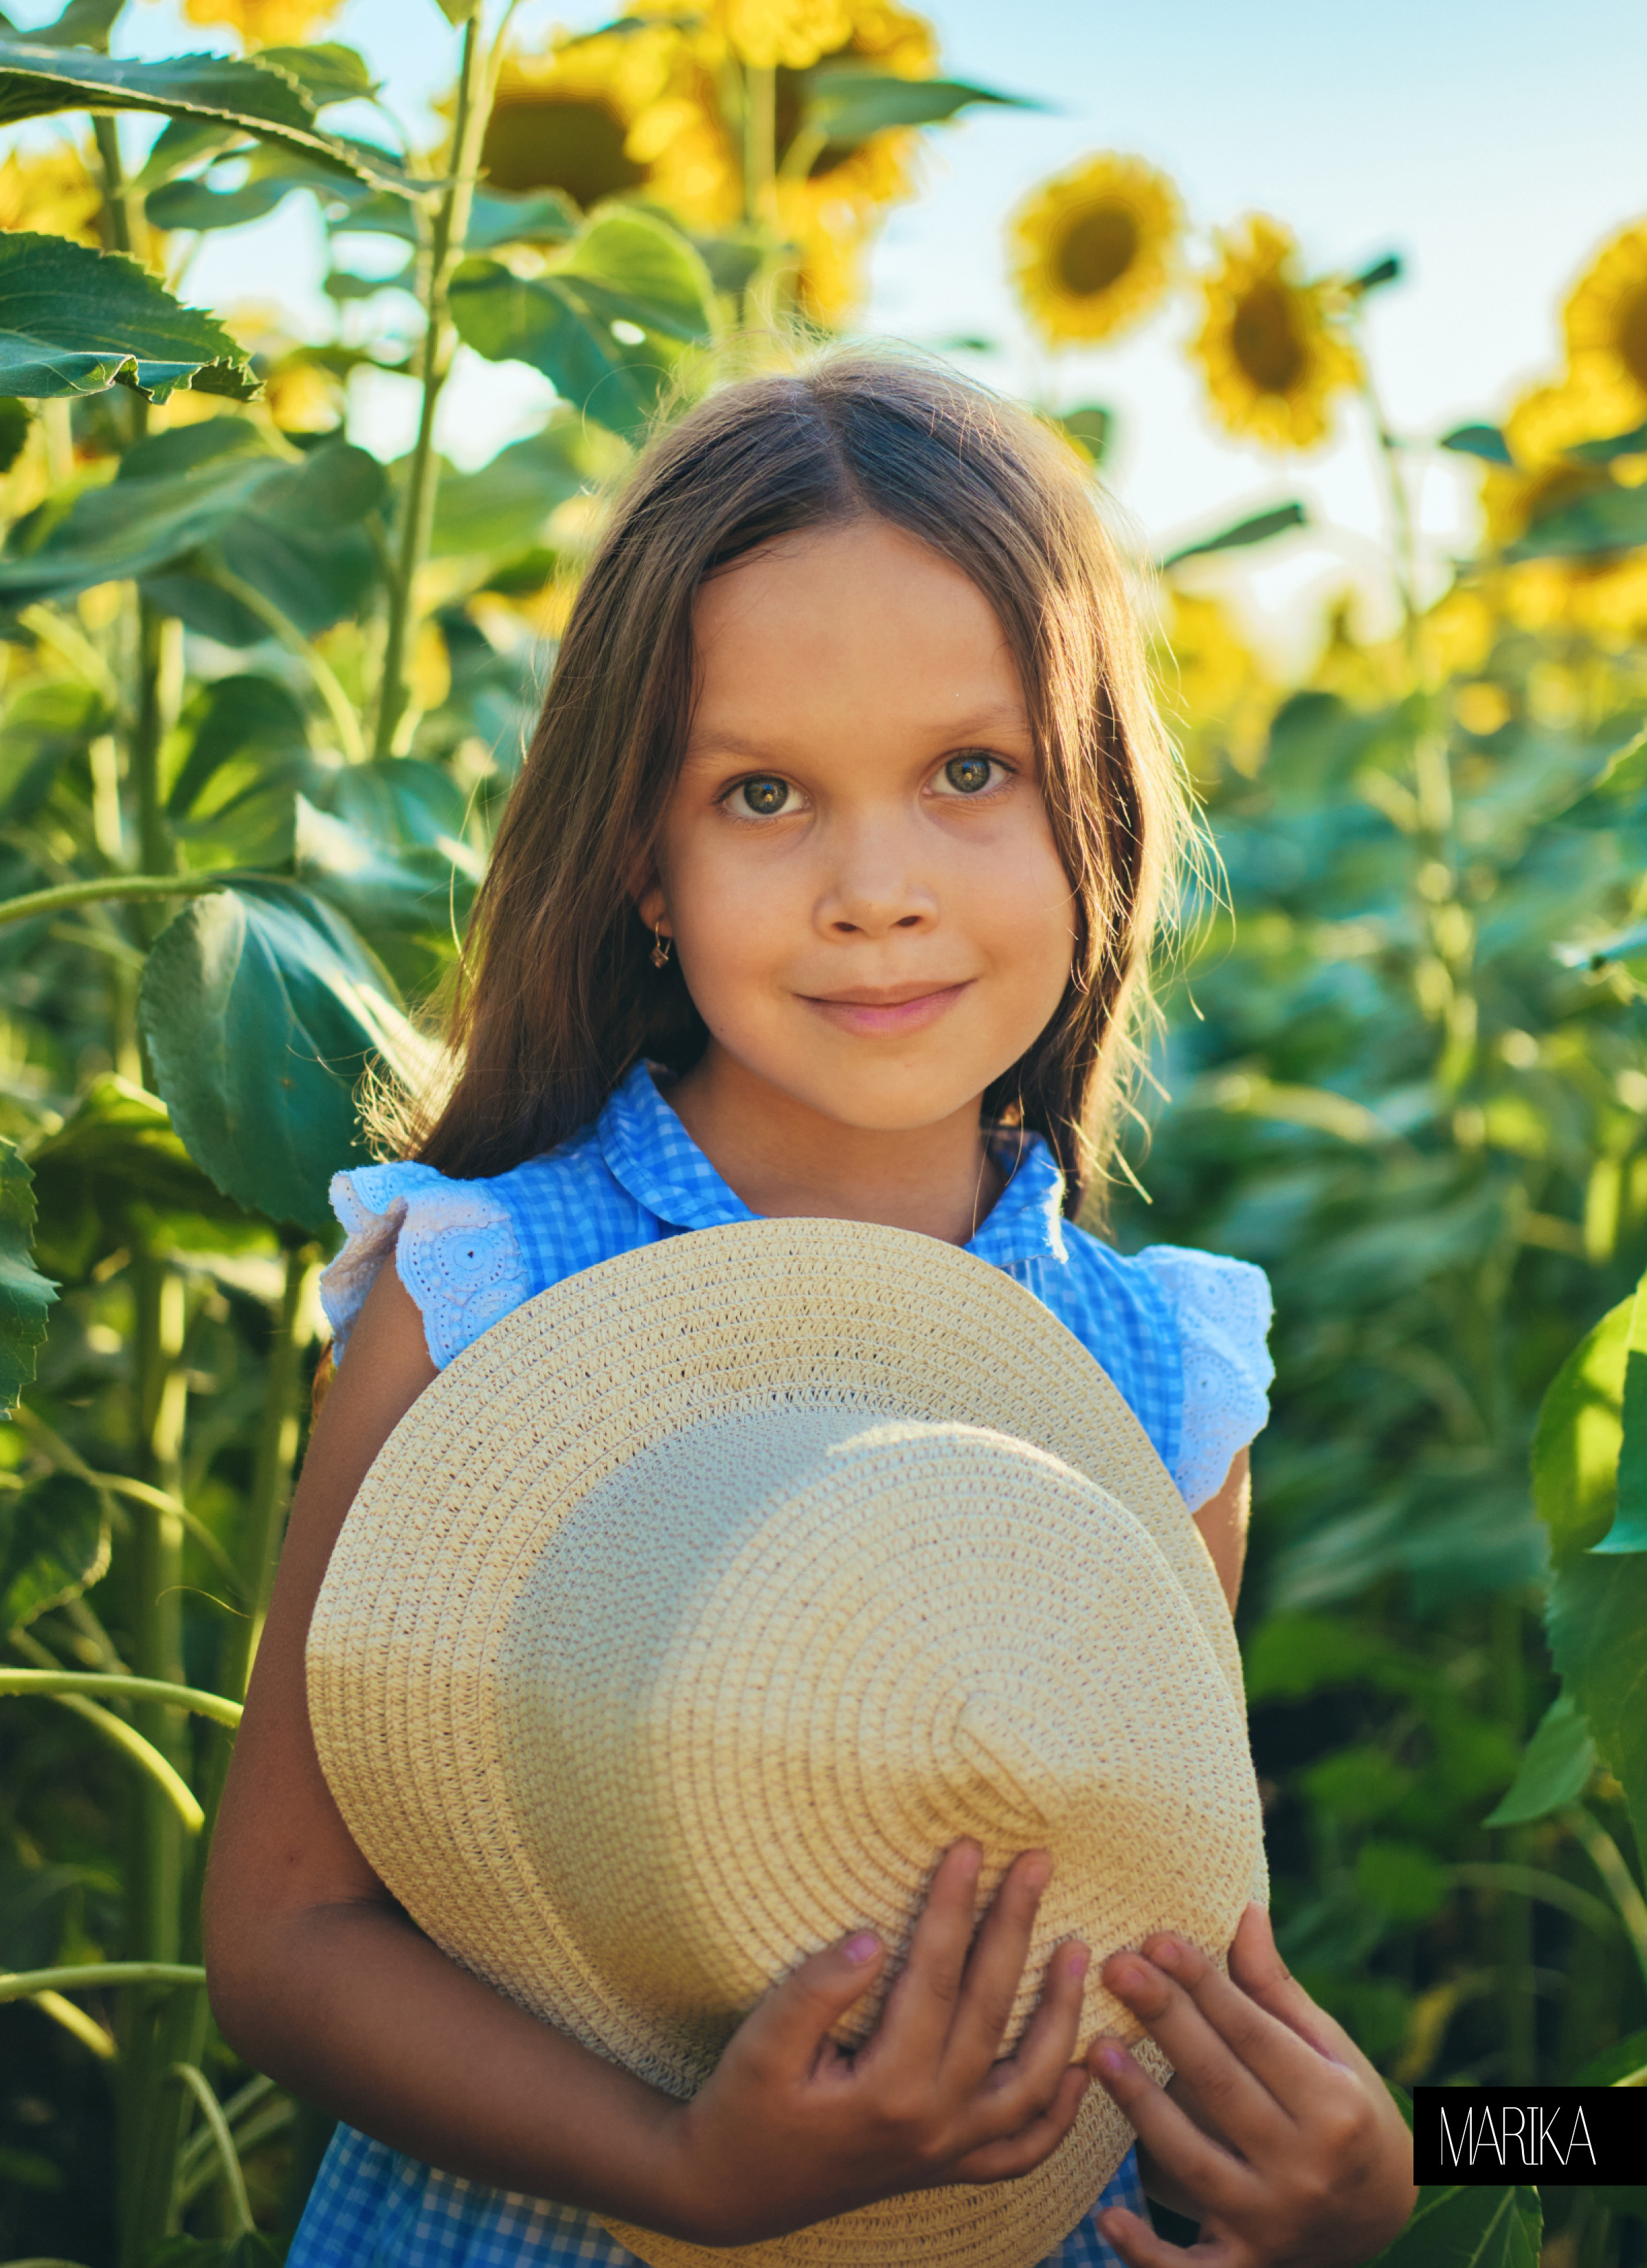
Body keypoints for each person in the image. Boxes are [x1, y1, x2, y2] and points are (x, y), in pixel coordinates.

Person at [204, 353, 1415, 2268]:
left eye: (970, 774)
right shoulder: (482, 1292)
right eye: (763, 792)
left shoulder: (1162, 1385)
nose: (877, 890)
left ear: (1098, 814)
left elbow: (1157, 1963)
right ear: (643, 861)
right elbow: (285, 1939)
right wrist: (680, 2169)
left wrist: (1354, 2181)